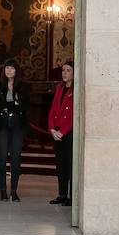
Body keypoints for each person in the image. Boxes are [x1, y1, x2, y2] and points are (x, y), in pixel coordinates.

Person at [0, 59, 29, 201]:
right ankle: (2, 190)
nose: (9, 71)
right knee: (1, 158)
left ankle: (14, 190)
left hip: (18, 126)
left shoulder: (23, 86)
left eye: (12, 68)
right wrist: (13, 104)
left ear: (16, 71)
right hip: (2, 125)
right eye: (7, 68)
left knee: (15, 159)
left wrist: (9, 105)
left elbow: (24, 106)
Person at [48, 61, 74, 206]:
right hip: (56, 132)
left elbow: (72, 115)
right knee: (60, 164)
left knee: (69, 165)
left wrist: (62, 132)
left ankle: (71, 196)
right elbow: (53, 109)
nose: (64, 73)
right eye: (63, 70)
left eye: (68, 70)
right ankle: (62, 194)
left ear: (74, 73)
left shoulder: (75, 90)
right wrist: (52, 128)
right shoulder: (59, 88)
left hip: (68, 133)